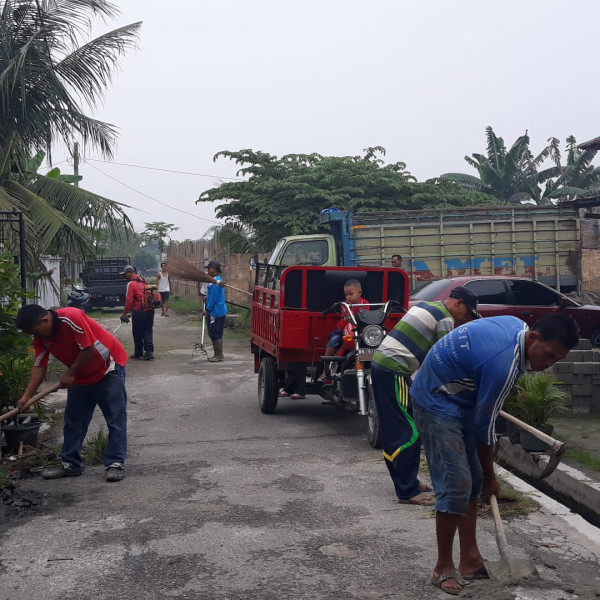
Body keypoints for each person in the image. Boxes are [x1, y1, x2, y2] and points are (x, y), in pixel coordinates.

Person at [410, 313, 579, 595]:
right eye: (549, 355)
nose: (549, 364)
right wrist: (492, 477)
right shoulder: (504, 365)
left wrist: (483, 476)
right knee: (457, 483)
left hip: (460, 393)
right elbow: (484, 431)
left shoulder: (518, 329)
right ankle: (443, 566)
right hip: (436, 398)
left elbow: (481, 418)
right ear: (534, 338)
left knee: (472, 480)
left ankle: (470, 560)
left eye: (556, 360)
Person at [370, 286, 481, 505]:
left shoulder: (428, 305)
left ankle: (408, 480)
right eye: (467, 314)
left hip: (384, 366)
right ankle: (408, 491)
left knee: (397, 429)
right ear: (458, 303)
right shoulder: (446, 318)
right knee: (408, 431)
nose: (465, 319)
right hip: (395, 370)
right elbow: (446, 357)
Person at [15, 304, 128, 482]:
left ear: (45, 320)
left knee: (115, 418)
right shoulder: (40, 338)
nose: (34, 336)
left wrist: (71, 373)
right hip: (80, 375)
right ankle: (70, 464)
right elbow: (39, 366)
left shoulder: (71, 317)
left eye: (35, 331)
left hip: (109, 369)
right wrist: (26, 396)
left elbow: (88, 349)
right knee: (74, 421)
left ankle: (115, 464)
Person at [120, 265, 155, 360]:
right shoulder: (143, 281)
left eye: (125, 274)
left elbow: (129, 300)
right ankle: (149, 351)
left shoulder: (131, 284)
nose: (124, 276)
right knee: (147, 330)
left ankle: (138, 352)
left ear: (130, 273)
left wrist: (124, 314)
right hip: (149, 309)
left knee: (137, 332)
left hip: (139, 311)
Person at [204, 260, 228, 362]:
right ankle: (218, 354)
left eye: (209, 268)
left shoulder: (215, 283)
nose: (208, 270)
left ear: (213, 269)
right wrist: (207, 297)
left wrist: (207, 310)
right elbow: (213, 296)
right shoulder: (217, 280)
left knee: (215, 332)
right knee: (215, 332)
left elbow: (213, 298)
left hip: (215, 311)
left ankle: (219, 355)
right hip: (219, 310)